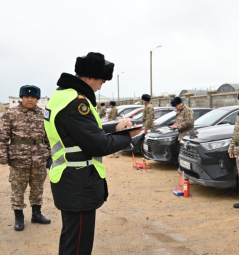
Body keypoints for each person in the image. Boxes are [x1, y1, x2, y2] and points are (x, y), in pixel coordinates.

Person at [43, 52, 142, 254]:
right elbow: (98, 145)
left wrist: (115, 128)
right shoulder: (76, 103)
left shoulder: (62, 96)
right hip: (78, 182)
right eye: (100, 82)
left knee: (71, 239)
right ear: (88, 77)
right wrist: (128, 136)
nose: (99, 87)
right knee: (79, 245)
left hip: (69, 179)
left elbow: (82, 133)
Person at [0, 85, 51, 231]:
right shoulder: (11, 114)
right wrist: (3, 156)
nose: (30, 99)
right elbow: (3, 138)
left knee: (37, 188)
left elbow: (49, 137)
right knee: (18, 189)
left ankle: (36, 214)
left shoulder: (43, 114)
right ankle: (19, 217)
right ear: (21, 98)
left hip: (39, 158)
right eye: (26, 97)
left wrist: (50, 154)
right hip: (18, 159)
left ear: (37, 99)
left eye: (33, 97)